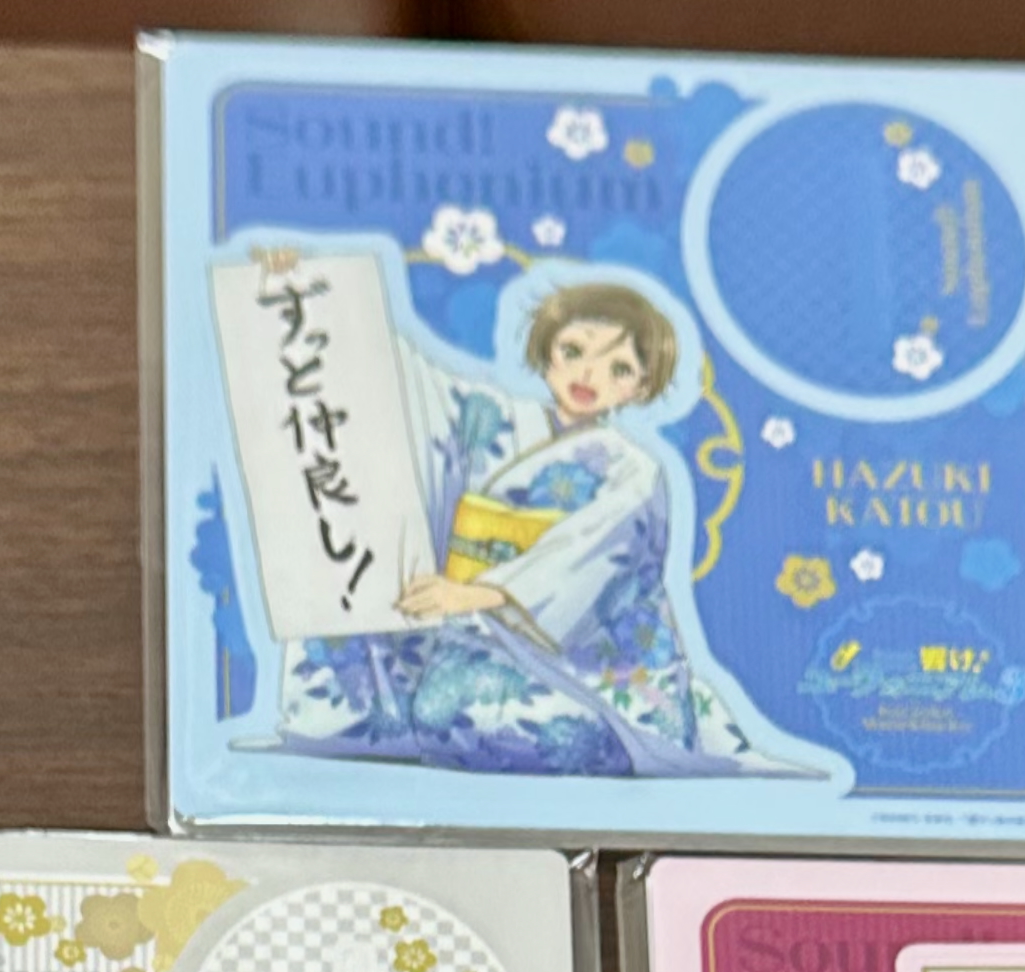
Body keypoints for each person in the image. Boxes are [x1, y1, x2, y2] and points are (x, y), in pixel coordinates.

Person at [269, 273, 779, 779]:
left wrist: (477, 594)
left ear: (641, 386)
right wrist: (301, 294)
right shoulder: (489, 418)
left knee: (499, 725)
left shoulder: (633, 472)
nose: (589, 374)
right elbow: (414, 386)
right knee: (424, 697)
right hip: (474, 639)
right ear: (546, 347)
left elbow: (592, 557)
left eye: (619, 367)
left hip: (587, 668)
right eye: (573, 350)